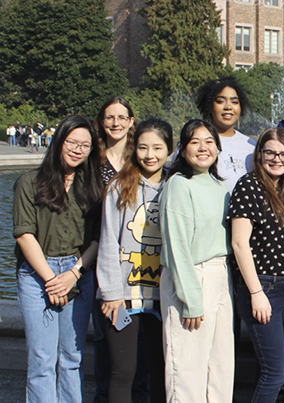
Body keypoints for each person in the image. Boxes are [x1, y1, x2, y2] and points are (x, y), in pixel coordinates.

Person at [14, 115, 103, 403]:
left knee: (72, 356)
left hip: (78, 272)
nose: (78, 149)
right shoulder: (30, 183)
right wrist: (52, 280)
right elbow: (25, 235)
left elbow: (96, 240)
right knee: (42, 360)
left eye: (85, 145)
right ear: (58, 142)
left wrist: (74, 274)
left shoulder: (92, 188)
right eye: (72, 142)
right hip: (38, 274)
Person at [97, 118, 173, 403]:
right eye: (143, 147)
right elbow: (108, 242)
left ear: (169, 149)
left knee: (159, 370)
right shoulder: (120, 186)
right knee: (123, 371)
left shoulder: (175, 185)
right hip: (124, 295)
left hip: (162, 296)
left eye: (157, 147)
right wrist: (111, 293)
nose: (149, 155)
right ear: (134, 149)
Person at [159, 119, 233, 402]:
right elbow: (177, 246)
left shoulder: (217, 184)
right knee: (187, 370)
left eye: (209, 142)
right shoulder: (178, 185)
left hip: (219, 275)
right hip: (192, 278)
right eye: (194, 142)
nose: (203, 148)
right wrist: (190, 298)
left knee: (220, 367)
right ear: (181, 149)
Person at [229, 127, 284, 403]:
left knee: (279, 369)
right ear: (259, 155)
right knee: (274, 373)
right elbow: (239, 243)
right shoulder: (249, 185)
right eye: (270, 152)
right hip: (262, 286)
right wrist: (256, 292)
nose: (277, 159)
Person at [93, 96, 141, 402]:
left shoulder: (140, 158)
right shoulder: (92, 161)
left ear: (131, 121)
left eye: (121, 117)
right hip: (94, 248)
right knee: (103, 340)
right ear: (101, 122)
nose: (115, 123)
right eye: (109, 117)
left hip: (129, 254)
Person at [195, 76, 257, 192]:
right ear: (209, 106)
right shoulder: (195, 143)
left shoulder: (251, 146)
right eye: (220, 101)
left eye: (234, 102)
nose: (228, 107)